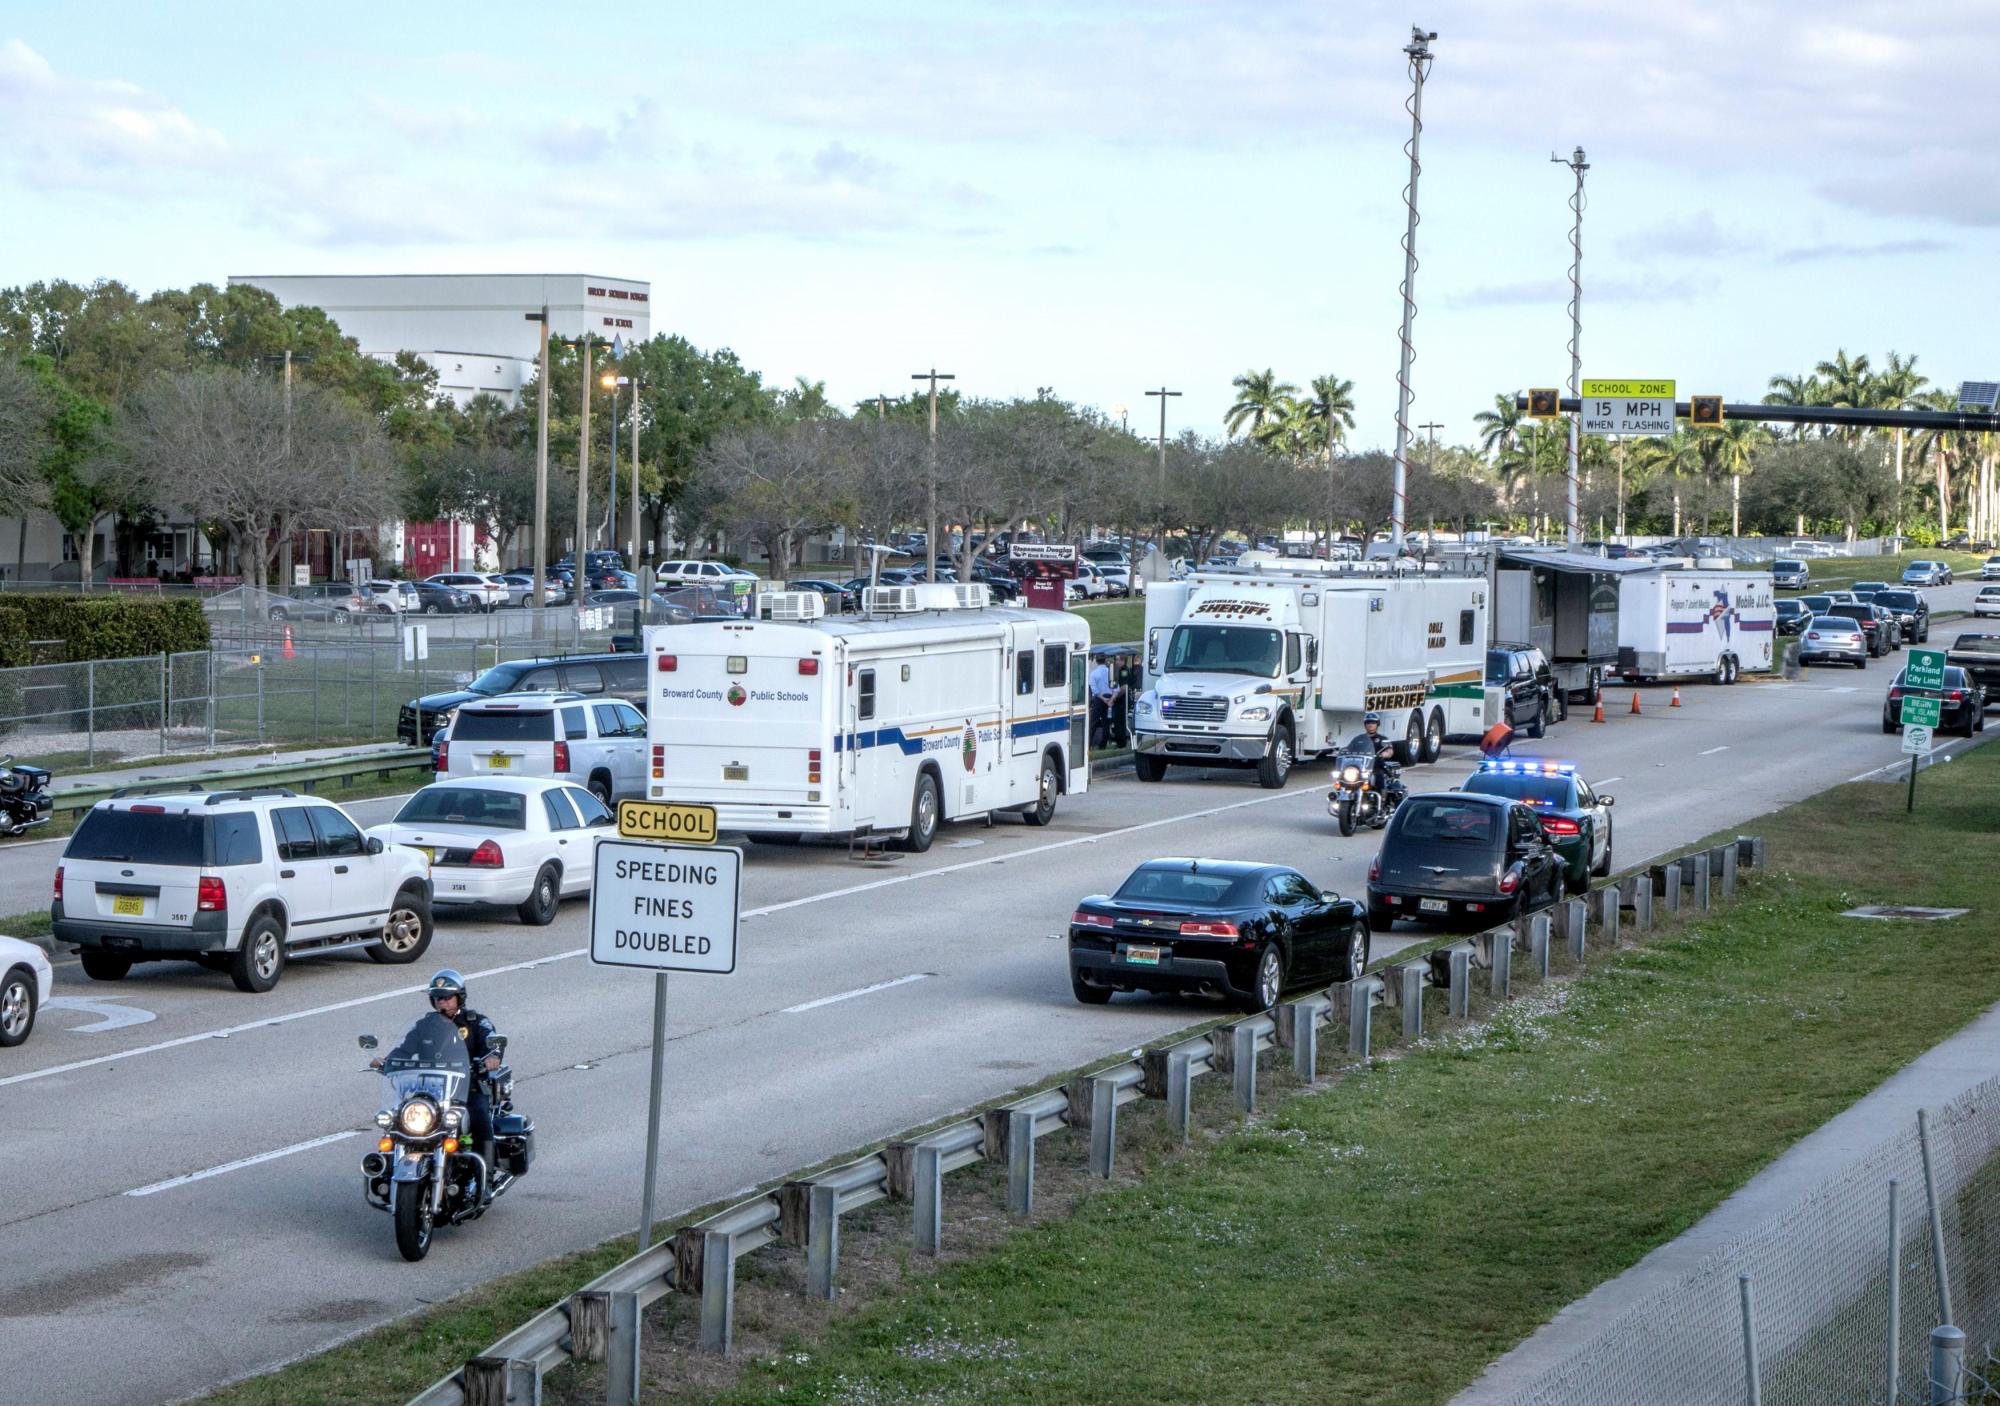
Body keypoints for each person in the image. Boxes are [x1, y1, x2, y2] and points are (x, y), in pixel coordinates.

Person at [373, 969, 504, 1196]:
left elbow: (494, 1045)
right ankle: (387, 1171)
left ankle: (487, 1179)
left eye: (447, 997)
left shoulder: (476, 1022)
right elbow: (404, 1049)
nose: (442, 1002)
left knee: (480, 1115)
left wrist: (492, 1058)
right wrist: (387, 1061)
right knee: (396, 1120)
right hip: (429, 1090)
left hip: (467, 1089)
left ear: (459, 997)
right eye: (438, 998)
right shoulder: (425, 1025)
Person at [1343, 711, 1404, 801]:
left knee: (1379, 775)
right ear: (1365, 725)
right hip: (1361, 766)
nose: (1370, 725)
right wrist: (1343, 752)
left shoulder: (1382, 739)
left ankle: (1381, 798)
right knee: (1344, 776)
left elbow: (1389, 750)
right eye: (1368, 723)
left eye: (1373, 723)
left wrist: (1385, 754)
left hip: (1375, 766)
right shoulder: (1359, 739)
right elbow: (1349, 749)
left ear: (1377, 724)